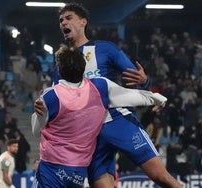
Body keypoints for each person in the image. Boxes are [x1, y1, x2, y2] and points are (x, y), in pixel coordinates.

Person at [35, 3, 182, 188]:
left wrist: (145, 81)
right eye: (61, 20)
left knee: (161, 177)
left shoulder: (106, 49)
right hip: (90, 135)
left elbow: (134, 78)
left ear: (83, 22)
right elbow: (61, 106)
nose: (63, 22)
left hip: (119, 121)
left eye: (68, 18)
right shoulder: (60, 67)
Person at [31, 46, 168, 188]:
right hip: (77, 172)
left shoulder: (51, 96)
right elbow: (131, 96)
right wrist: (157, 98)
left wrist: (40, 115)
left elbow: (36, 131)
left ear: (59, 71)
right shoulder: (100, 86)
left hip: (51, 169)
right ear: (83, 68)